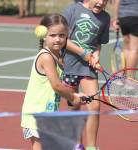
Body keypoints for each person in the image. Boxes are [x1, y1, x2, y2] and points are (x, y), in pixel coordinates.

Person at [21, 13, 88, 150]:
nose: (58, 39)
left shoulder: (58, 56)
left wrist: (77, 96)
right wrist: (73, 97)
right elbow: (56, 86)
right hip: (36, 115)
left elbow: (59, 84)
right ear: (44, 35)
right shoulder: (46, 57)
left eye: (62, 35)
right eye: (53, 35)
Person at [62, 0, 110, 150]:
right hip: (69, 66)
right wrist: (83, 53)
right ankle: (77, 145)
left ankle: (91, 147)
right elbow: (64, 39)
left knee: (94, 105)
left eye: (106, 0)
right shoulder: (71, 10)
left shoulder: (105, 18)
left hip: (87, 69)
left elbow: (98, 43)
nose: (101, 2)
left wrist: (95, 56)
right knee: (74, 107)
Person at [112, 0, 138, 70]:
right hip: (135, 16)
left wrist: (115, 19)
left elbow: (116, 1)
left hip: (123, 18)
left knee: (127, 47)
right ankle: (129, 77)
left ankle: (124, 76)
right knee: (134, 49)